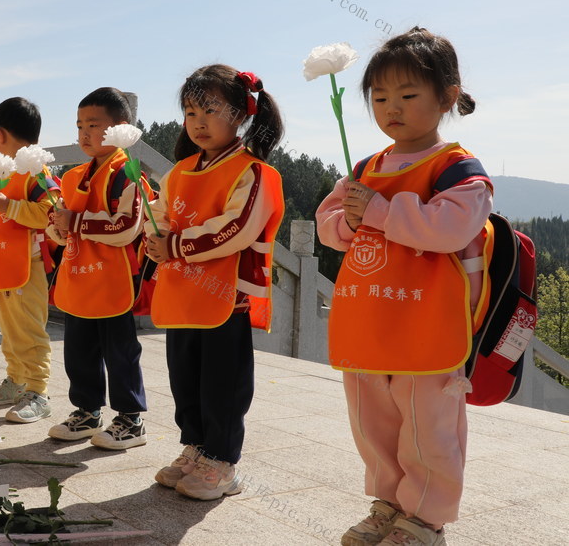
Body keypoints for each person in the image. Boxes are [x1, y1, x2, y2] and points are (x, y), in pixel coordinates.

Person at [316, 27, 492, 546]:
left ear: (447, 97)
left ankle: (425, 518)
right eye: (380, 97)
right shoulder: (367, 167)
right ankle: (389, 504)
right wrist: (348, 221)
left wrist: (378, 212)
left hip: (427, 325)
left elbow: (451, 230)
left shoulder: (458, 169)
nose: (391, 107)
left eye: (409, 95)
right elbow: (329, 223)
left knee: (428, 429)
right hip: (370, 319)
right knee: (375, 426)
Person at [144, 65, 285, 500]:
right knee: (184, 376)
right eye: (190, 112)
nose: (198, 121)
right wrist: (155, 235)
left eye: (210, 109)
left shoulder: (255, 172)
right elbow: (163, 213)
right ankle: (196, 447)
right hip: (182, 292)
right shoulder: (181, 170)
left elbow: (237, 227)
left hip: (227, 297)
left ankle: (223, 462)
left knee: (222, 382)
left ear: (241, 114)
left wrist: (176, 245)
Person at [47, 87, 149, 450]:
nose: (85, 134)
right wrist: (57, 226)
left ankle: (130, 418)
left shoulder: (128, 173)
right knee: (78, 349)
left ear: (120, 127)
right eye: (79, 126)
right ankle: (87, 411)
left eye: (94, 125)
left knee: (119, 350)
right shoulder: (73, 176)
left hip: (112, 278)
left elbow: (125, 228)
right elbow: (57, 225)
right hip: (77, 276)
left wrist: (73, 222)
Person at [0, 97, 60, 423]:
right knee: (10, 330)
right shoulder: (7, 173)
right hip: (4, 264)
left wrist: (10, 208)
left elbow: (52, 213)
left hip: (28, 266)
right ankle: (16, 380)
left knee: (30, 331)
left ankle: (38, 391)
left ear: (0, 135)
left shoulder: (36, 172)